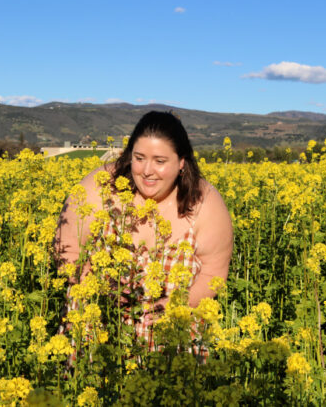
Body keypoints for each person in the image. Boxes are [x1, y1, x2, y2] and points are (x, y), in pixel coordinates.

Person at [53, 111, 233, 347]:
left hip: (170, 340)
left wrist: (177, 305)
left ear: (181, 162)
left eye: (159, 161)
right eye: (139, 158)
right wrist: (99, 291)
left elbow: (213, 276)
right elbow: (66, 251)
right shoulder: (96, 187)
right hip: (95, 332)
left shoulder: (205, 203)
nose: (147, 170)